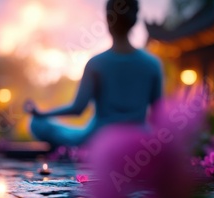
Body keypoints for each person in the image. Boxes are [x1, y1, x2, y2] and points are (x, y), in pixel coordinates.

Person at [25, 0, 163, 147]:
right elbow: (159, 114)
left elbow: (78, 109)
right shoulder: (152, 64)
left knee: (37, 123)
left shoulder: (97, 63)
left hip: (100, 139)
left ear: (108, 20)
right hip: (138, 138)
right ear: (135, 20)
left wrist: (42, 114)